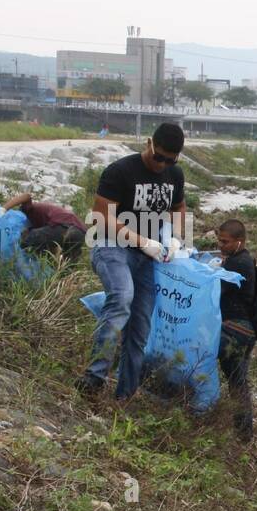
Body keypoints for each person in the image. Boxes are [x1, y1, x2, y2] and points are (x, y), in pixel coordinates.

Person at [78, 122, 188, 401]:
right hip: (112, 246)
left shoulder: (174, 175)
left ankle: (124, 395)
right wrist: (141, 240)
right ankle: (93, 378)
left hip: (146, 259)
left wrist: (175, 237)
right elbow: (100, 217)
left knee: (140, 328)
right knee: (121, 297)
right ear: (149, 143)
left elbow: (179, 208)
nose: (161, 165)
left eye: (169, 160)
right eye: (158, 157)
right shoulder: (120, 171)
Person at [216, 219, 257, 441]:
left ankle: (242, 433)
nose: (221, 245)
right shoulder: (237, 259)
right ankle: (243, 433)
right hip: (243, 331)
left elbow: (216, 289)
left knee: (237, 380)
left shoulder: (238, 264)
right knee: (237, 380)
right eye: (219, 240)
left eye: (225, 241)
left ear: (239, 241)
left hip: (237, 330)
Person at [0, 191, 86, 261]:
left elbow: (26, 196)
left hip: (64, 225)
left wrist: (3, 209)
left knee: (29, 240)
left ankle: (10, 264)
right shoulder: (45, 227)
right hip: (80, 232)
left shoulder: (28, 211)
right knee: (67, 266)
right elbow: (50, 244)